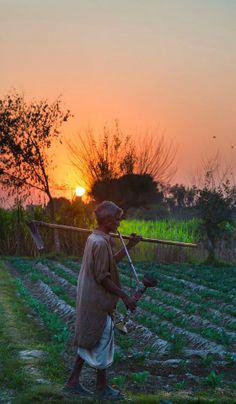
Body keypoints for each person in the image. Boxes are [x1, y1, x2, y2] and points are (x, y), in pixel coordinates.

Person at [64, 201, 141, 400]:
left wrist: (130, 246)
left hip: (92, 298)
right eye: (116, 220)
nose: (119, 224)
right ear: (107, 220)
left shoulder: (98, 239)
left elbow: (109, 263)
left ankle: (73, 381)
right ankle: (101, 387)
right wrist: (124, 296)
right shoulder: (98, 242)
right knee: (103, 338)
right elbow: (102, 277)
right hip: (96, 299)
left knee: (90, 338)